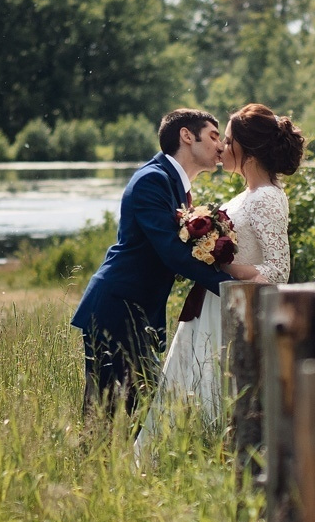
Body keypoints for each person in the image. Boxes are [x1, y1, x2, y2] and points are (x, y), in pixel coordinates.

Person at [135, 103, 305, 454]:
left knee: (217, 392)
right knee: (190, 389)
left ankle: (214, 455)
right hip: (214, 303)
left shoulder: (269, 198)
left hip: (234, 306)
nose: (221, 148)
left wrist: (222, 267)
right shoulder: (245, 195)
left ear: (246, 148)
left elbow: (277, 270)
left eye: (227, 140)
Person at [70, 109, 235, 421]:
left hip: (136, 312)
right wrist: (231, 288)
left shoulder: (173, 184)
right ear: (187, 136)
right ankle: (91, 470)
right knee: (105, 416)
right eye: (214, 136)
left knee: (140, 415)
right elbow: (171, 252)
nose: (221, 146)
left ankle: (120, 469)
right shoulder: (152, 180)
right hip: (116, 310)